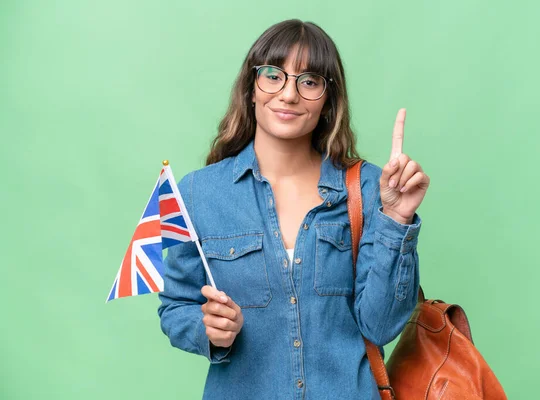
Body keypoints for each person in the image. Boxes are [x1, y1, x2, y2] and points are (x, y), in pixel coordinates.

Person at [157, 19, 430, 399]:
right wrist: (208, 329)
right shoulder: (197, 193)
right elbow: (175, 307)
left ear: (328, 99)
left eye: (309, 81)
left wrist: (397, 219)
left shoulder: (371, 189)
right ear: (251, 88)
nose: (288, 94)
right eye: (273, 75)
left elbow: (381, 326)